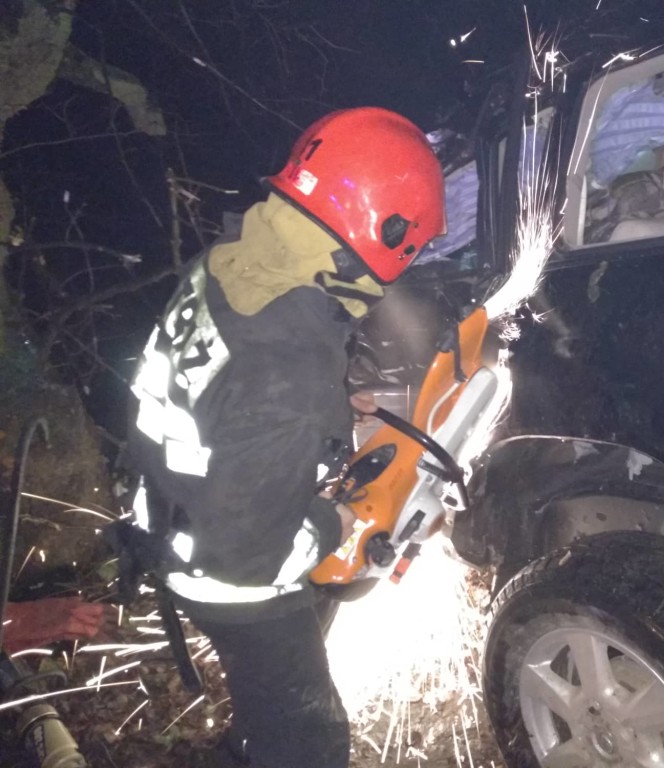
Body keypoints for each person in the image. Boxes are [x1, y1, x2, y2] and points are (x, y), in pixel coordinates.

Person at [123, 107, 445, 768]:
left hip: (163, 506)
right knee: (306, 743)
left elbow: (225, 383)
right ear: (387, 232)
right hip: (225, 574)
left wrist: (318, 411)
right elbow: (248, 557)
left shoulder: (235, 258)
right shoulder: (289, 366)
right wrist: (332, 522)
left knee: (265, 714)